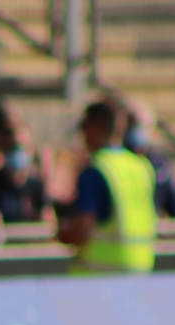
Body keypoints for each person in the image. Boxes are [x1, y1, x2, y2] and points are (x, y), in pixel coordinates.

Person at [57, 98, 156, 273]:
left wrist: (61, 233)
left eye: (84, 126)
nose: (82, 133)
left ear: (96, 126)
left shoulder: (96, 170)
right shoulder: (141, 166)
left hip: (101, 276)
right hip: (140, 270)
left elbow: (82, 231)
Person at [0, 130, 48, 245]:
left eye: (21, 147)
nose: (16, 152)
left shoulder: (36, 185)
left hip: (31, 247)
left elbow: (47, 220)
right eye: (11, 148)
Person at [122, 103, 175, 219]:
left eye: (142, 126)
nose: (137, 131)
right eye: (133, 125)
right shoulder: (118, 161)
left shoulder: (160, 166)